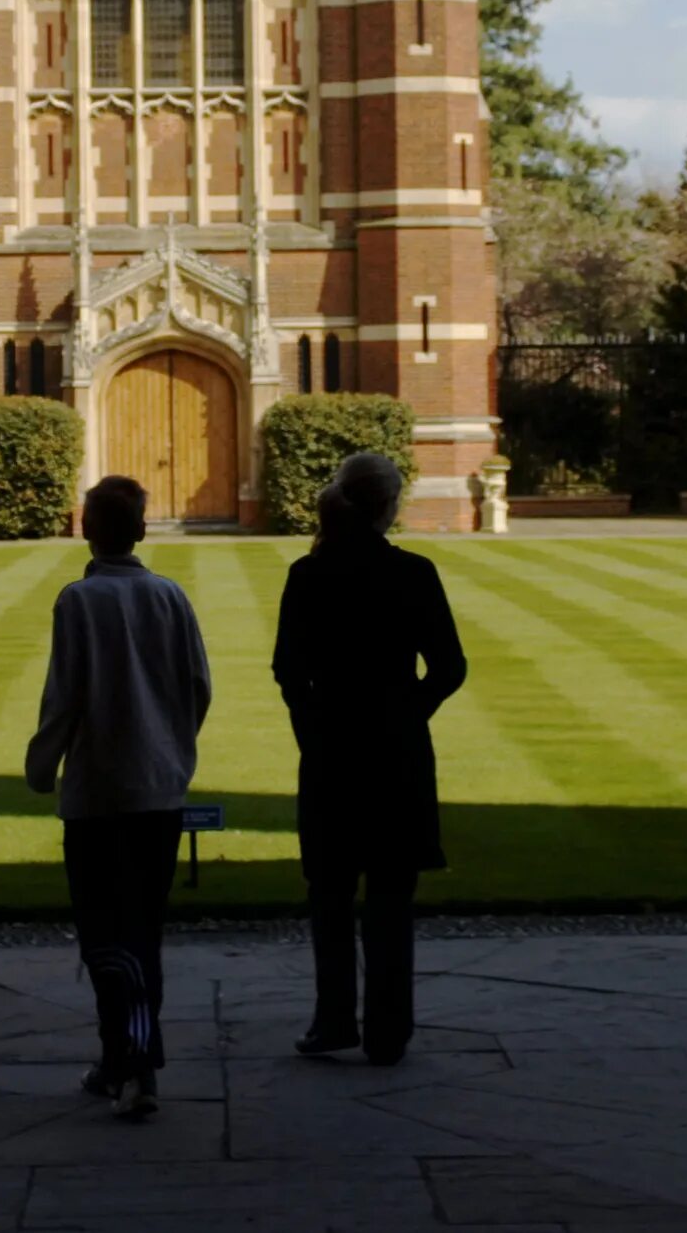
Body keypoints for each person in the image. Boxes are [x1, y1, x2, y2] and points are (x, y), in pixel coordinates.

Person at [24, 474, 212, 1120]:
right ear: (141, 528)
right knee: (140, 934)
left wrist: (41, 765)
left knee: (105, 937)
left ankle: (137, 1064)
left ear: (84, 526)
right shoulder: (171, 595)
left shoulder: (78, 601)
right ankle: (119, 1058)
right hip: (160, 793)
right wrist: (173, 749)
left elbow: (64, 695)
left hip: (100, 796)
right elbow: (199, 686)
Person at [270, 449, 468, 1066]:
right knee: (390, 897)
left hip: (331, 747)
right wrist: (409, 712)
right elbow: (450, 668)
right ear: (389, 506)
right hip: (396, 753)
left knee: (329, 895)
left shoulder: (310, 574)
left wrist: (311, 728)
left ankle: (334, 1022)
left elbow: (287, 670)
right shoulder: (414, 573)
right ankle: (388, 1032)